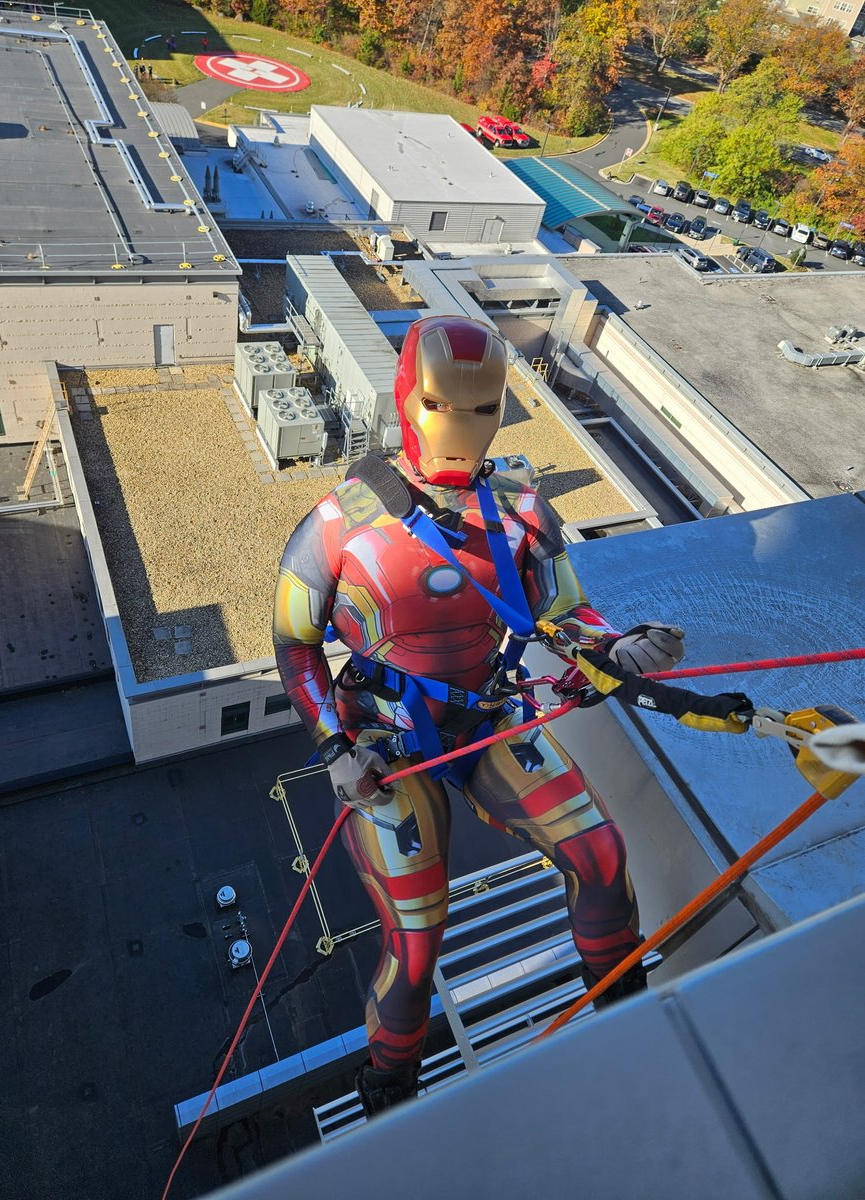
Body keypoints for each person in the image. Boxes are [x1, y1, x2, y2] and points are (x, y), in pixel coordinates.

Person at [273, 315, 737, 1116]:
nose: (460, 426)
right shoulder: (337, 522)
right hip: (384, 740)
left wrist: (616, 646)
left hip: (489, 715)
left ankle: (622, 1014)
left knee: (600, 854)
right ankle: (389, 1087)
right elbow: (294, 644)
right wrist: (336, 747)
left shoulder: (521, 509)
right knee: (417, 938)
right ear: (408, 400)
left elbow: (563, 611)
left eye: (482, 408)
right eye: (442, 405)